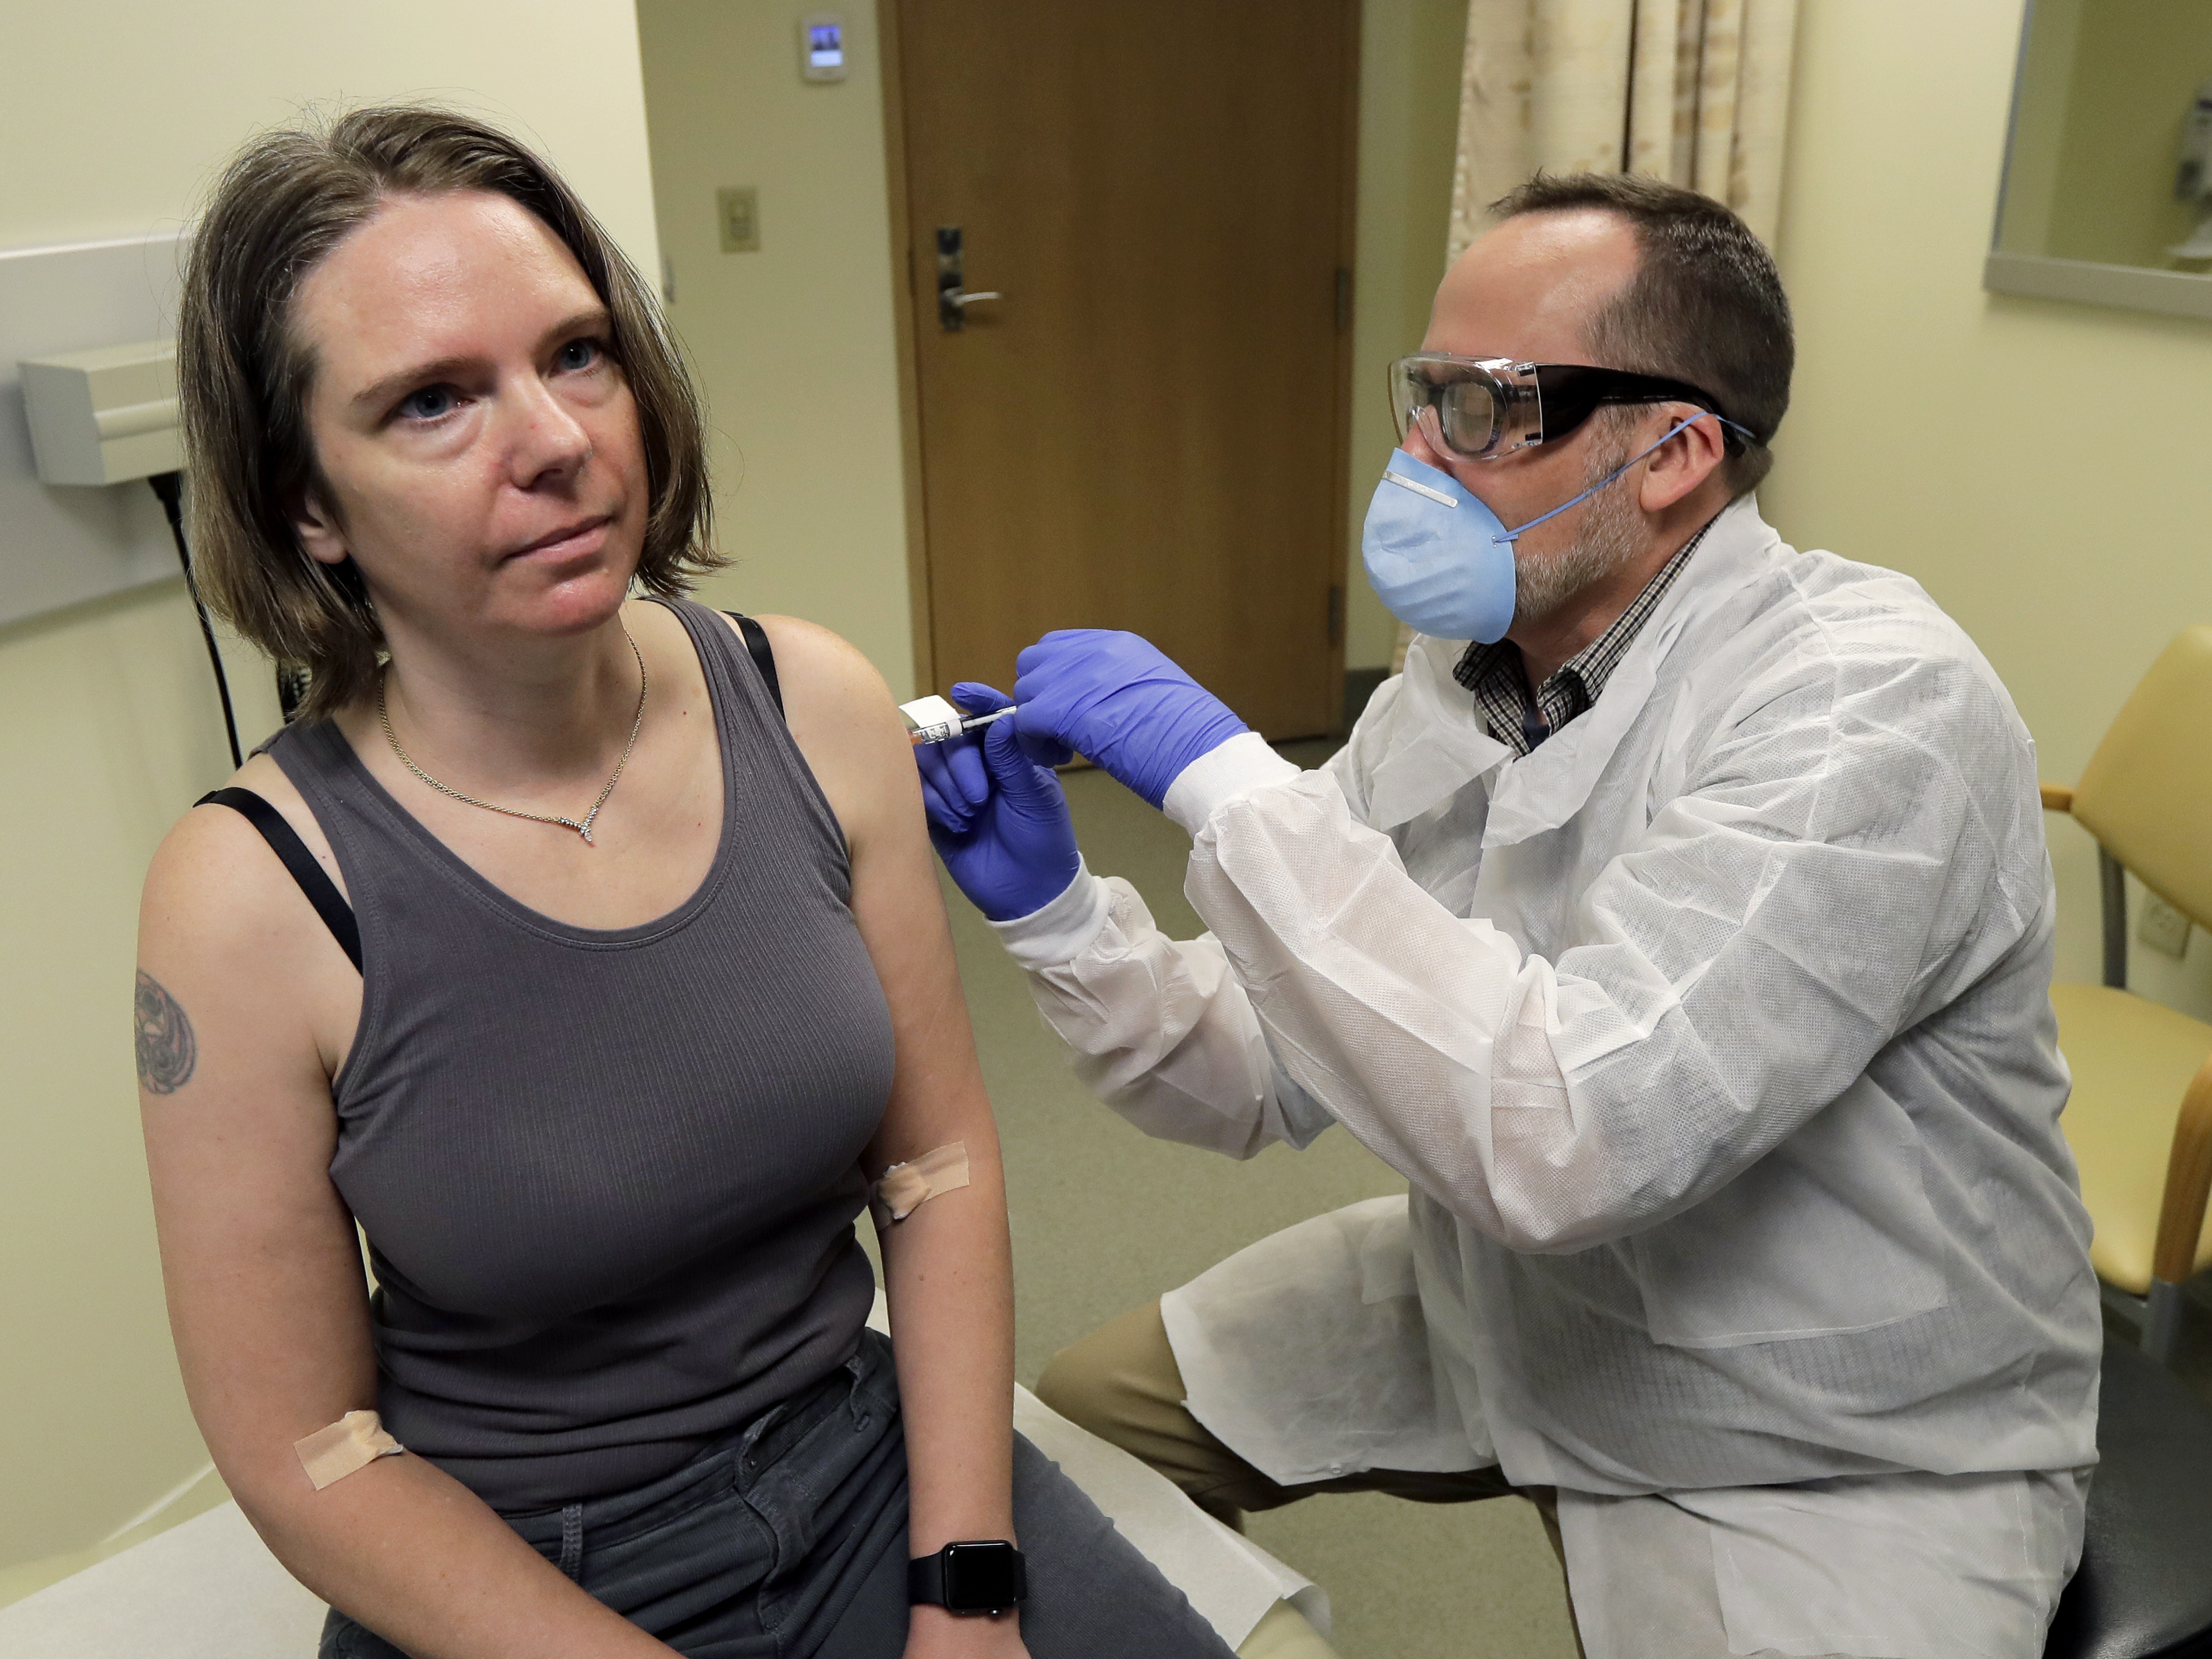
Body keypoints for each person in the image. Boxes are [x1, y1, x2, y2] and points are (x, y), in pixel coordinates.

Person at [918, 173, 2102, 1659]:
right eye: (1422, 396)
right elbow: (1260, 1068)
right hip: (1518, 1298)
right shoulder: (1462, 678)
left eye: (1487, 407)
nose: (1418, 452)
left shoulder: (1868, 705)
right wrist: (1060, 917)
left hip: (1828, 1426)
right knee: (1087, 1444)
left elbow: (1581, 1130)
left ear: (1675, 452)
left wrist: (1236, 791)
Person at [136, 106, 1237, 1659]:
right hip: (524, 1575)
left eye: (575, 354)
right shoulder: (252, 896)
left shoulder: (814, 705)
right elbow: (306, 1454)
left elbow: (936, 1170)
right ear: (305, 502)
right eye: (435, 401)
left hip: (867, 1470)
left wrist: (966, 1590)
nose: (555, 441)